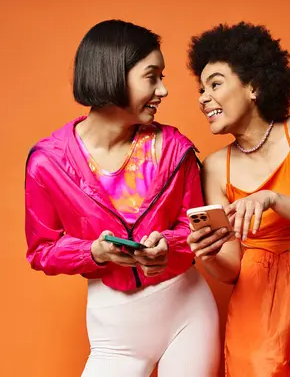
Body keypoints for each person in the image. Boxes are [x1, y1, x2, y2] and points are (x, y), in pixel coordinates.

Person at [24, 19, 219, 376]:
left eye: (163, 77)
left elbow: (192, 229)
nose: (163, 90)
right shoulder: (47, 162)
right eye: (152, 76)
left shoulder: (176, 149)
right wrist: (92, 252)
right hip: (115, 329)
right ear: (114, 74)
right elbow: (41, 251)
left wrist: (168, 246)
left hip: (188, 311)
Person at [186, 22, 290, 376]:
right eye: (201, 89)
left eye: (215, 83)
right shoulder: (216, 167)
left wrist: (274, 199)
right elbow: (231, 268)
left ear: (254, 86)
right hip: (255, 291)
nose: (203, 97)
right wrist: (208, 254)